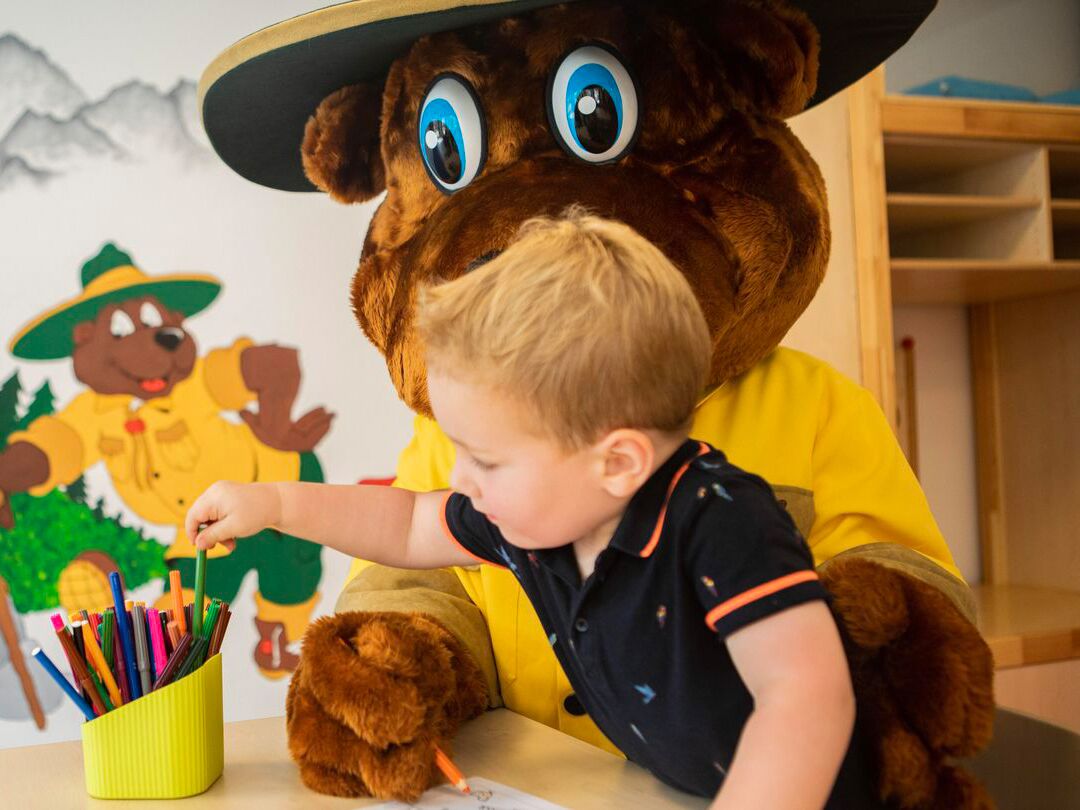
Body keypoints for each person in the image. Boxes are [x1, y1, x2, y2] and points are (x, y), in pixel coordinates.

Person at [186, 211, 879, 809]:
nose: (461, 478)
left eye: (485, 459)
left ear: (617, 462)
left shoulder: (722, 522)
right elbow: (405, 522)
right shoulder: (542, 517)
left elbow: (806, 699)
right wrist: (273, 501)